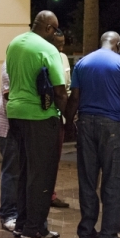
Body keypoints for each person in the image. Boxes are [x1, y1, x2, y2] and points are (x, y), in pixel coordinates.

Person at [65, 32, 120, 238]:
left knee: (87, 180)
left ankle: (86, 231)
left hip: (86, 123)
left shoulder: (83, 63)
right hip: (112, 125)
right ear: (117, 44)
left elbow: (75, 97)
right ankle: (109, 234)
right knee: (113, 180)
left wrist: (69, 122)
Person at [5, 11, 67, 238]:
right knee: (42, 175)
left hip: (15, 113)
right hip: (39, 117)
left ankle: (22, 224)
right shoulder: (47, 49)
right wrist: (63, 115)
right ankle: (35, 228)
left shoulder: (14, 43)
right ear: (49, 28)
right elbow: (59, 91)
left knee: (25, 171)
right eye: (55, 29)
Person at [0, 61, 19, 232]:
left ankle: (16, 212)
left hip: (19, 126)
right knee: (12, 170)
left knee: (18, 170)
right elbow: (9, 95)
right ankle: (8, 214)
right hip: (8, 127)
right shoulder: (9, 65)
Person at [51, 34, 71, 209]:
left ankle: (50, 193)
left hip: (60, 117)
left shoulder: (63, 58)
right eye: (58, 45)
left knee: (54, 158)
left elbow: (68, 87)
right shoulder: (43, 55)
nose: (62, 48)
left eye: (63, 44)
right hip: (45, 114)